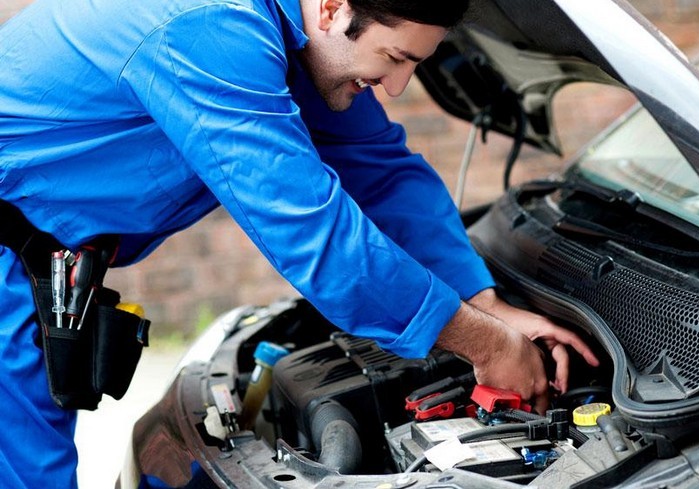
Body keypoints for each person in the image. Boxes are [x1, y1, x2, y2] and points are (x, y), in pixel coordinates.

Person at [0, 0, 599, 486]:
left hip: (43, 262)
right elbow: (316, 236)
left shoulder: (302, 40)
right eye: (393, 58)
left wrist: (485, 302)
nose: (396, 86)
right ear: (333, 9)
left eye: (415, 64)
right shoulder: (208, 28)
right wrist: (486, 344)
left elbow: (381, 170)